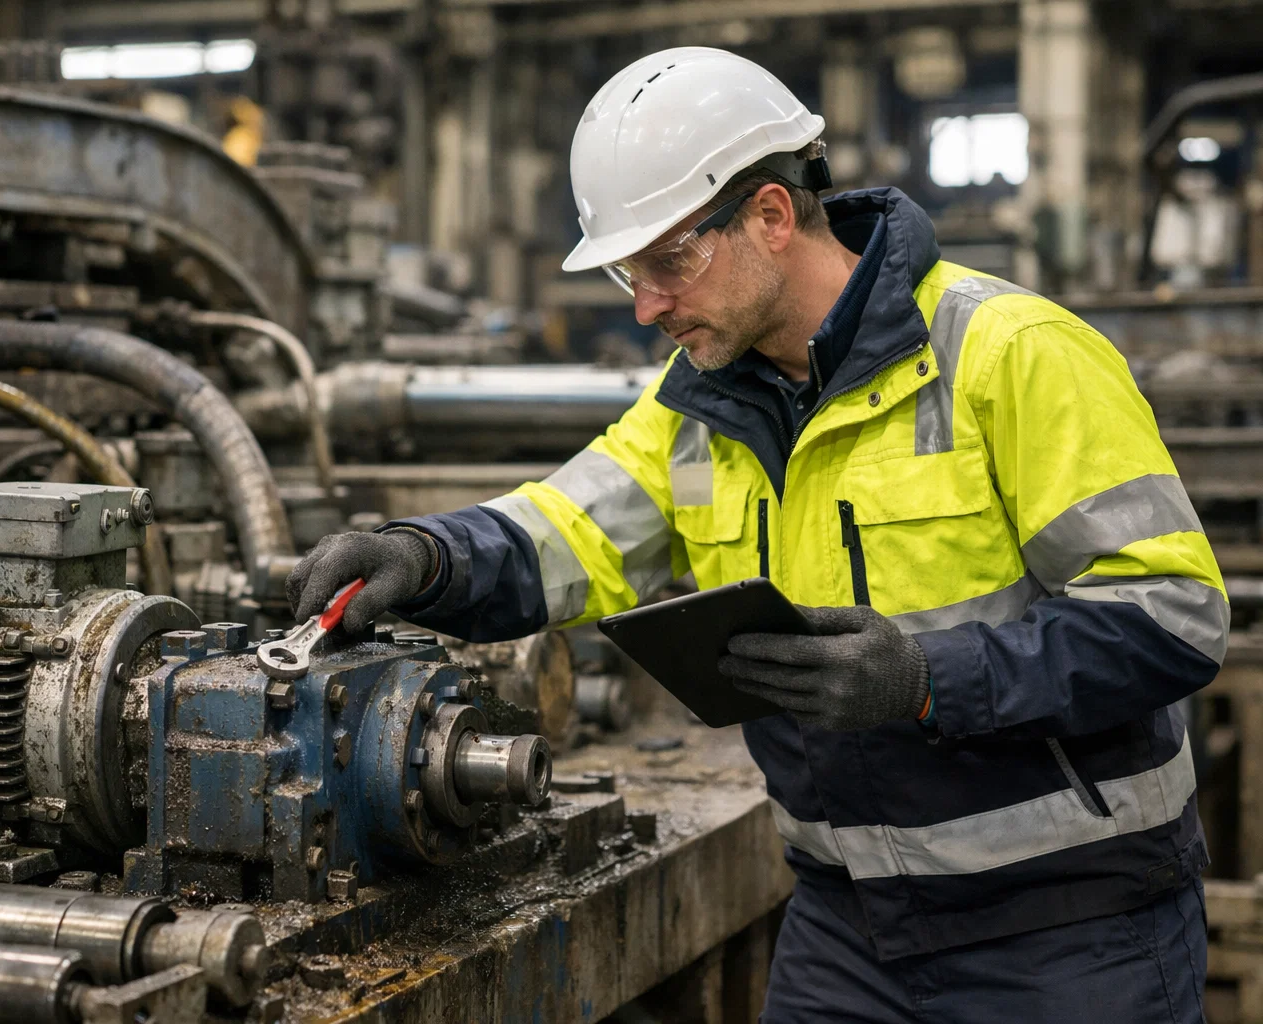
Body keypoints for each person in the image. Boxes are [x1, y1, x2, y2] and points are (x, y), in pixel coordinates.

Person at [286, 46, 1223, 1023]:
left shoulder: (1010, 356)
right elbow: (569, 531)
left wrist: (929, 678)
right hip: (845, 925)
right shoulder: (698, 414)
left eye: (668, 261)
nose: (648, 306)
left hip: (1066, 931)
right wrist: (424, 556)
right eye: (626, 273)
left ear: (772, 216)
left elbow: (1172, 617)